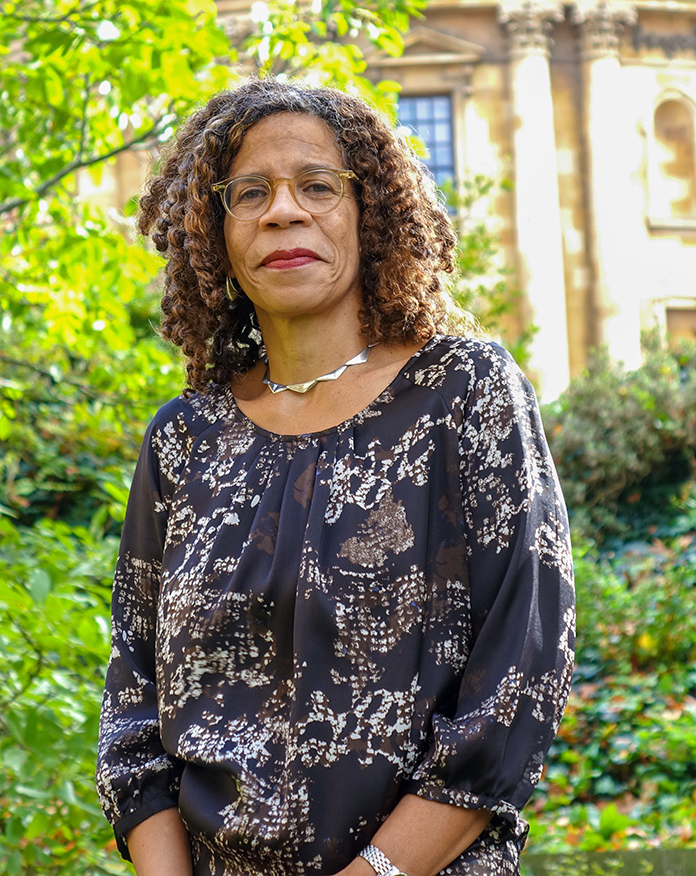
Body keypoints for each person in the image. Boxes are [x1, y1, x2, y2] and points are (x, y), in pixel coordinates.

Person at [96, 80, 575, 876]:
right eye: (250, 192)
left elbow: (517, 683)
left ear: (369, 212)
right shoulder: (184, 438)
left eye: (317, 185)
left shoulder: (465, 393)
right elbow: (133, 707)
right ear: (215, 232)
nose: (283, 211)